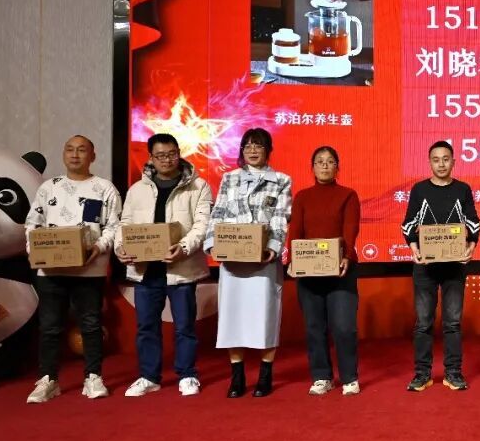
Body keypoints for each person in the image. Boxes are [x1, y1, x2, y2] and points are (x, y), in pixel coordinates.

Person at [23, 135, 122, 403]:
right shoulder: (49, 188)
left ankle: (93, 377)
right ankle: (48, 379)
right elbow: (32, 223)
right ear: (63, 154)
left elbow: (114, 226)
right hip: (51, 272)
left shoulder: (104, 188)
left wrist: (99, 247)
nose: (75, 155)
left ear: (93, 156)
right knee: (50, 326)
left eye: (81, 150)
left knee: (90, 324)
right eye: (70, 150)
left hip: (89, 270)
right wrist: (37, 251)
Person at [115, 134, 213, 397]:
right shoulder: (137, 189)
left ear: (179, 153)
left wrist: (183, 248)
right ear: (151, 158)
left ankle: (187, 375)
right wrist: (120, 247)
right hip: (146, 270)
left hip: (182, 267)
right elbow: (124, 224)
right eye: (160, 155)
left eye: (171, 154)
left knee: (185, 326)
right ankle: (149, 376)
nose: (167, 160)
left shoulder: (198, 187)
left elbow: (202, 225)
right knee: (146, 326)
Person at [204, 128, 292, 398]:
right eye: (248, 146)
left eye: (259, 146)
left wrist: (273, 248)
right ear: (242, 151)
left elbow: (281, 217)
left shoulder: (281, 180)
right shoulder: (229, 178)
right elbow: (218, 213)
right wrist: (213, 244)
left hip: (264, 261)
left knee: (265, 317)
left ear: (268, 150)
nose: (253, 151)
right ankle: (237, 377)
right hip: (233, 262)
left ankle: (265, 376)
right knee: (233, 318)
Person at [401, 141, 480, 392]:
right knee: (423, 322)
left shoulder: (463, 189)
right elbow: (408, 223)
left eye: (446, 159)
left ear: (453, 162)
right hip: (425, 267)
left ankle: (453, 373)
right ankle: (422, 374)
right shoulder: (419, 189)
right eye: (436, 160)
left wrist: (471, 247)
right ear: (430, 163)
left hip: (454, 266)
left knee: (452, 323)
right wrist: (414, 248)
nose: (441, 164)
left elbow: (474, 223)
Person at [285, 145, 361, 397]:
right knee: (314, 327)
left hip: (341, 270)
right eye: (320, 161)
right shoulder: (302, 197)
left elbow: (350, 228)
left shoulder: (348, 195)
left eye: (330, 161)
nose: (325, 165)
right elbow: (295, 231)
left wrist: (346, 255)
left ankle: (349, 377)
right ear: (313, 167)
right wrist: (293, 260)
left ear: (337, 167)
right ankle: (321, 377)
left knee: (344, 327)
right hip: (309, 272)